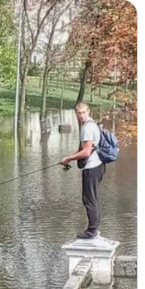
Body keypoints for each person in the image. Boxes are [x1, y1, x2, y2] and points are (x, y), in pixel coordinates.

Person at [60, 101, 105, 239]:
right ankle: (94, 229)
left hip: (92, 167)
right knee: (93, 198)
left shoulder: (87, 128)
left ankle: (92, 230)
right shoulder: (93, 125)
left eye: (84, 112)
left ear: (88, 111)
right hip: (99, 166)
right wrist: (71, 156)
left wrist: (68, 158)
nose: (82, 116)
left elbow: (86, 152)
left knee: (89, 199)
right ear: (76, 114)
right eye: (79, 113)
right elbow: (86, 149)